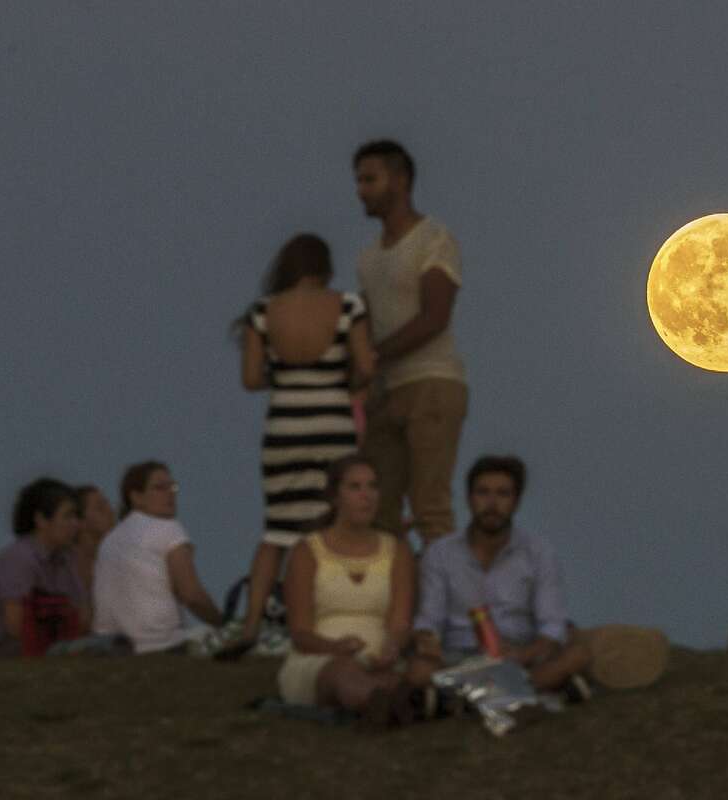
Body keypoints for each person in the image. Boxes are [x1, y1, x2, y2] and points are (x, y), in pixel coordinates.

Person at [233, 233, 377, 647]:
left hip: (284, 426)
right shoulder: (348, 305)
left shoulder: (263, 312)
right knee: (335, 524)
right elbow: (365, 366)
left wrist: (285, 378)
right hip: (333, 421)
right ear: (326, 267)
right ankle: (329, 616)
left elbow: (249, 378)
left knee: (277, 530)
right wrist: (343, 379)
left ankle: (250, 625)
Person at [354, 140, 468, 549]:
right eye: (359, 181)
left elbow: (435, 317)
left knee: (429, 506)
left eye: (370, 179)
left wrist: (375, 356)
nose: (362, 190)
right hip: (386, 392)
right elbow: (365, 324)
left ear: (400, 180)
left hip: (431, 383)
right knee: (379, 508)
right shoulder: (368, 258)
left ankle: (446, 606)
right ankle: (396, 604)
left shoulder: (433, 240)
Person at [405, 455, 591, 699]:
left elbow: (552, 624)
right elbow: (430, 619)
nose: (492, 503)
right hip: (460, 655)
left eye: (503, 494)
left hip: (520, 653)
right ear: (470, 499)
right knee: (419, 671)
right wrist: (426, 640)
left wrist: (522, 655)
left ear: (516, 501)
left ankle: (471, 698)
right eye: (483, 493)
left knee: (577, 654)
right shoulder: (441, 553)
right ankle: (530, 691)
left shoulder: (537, 552)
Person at [277, 455, 415, 721]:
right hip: (320, 660)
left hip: (377, 661)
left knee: (404, 673)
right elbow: (300, 633)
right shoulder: (308, 551)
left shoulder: (396, 551)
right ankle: (381, 704)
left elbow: (400, 623)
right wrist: (335, 647)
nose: (367, 496)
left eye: (373, 487)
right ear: (335, 497)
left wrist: (392, 648)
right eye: (355, 487)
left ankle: (383, 702)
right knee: (343, 673)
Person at [92, 461, 223, 653]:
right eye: (159, 488)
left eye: (173, 487)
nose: (170, 493)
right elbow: (191, 595)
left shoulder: (109, 540)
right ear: (136, 497)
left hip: (112, 645)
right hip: (161, 642)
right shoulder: (168, 528)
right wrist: (222, 621)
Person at [0, 479, 87, 656]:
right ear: (41, 520)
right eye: (68, 516)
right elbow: (16, 626)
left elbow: (82, 614)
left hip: (39, 644)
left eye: (76, 517)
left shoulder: (65, 559)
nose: (76, 524)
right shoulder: (19, 558)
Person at [72, 485, 116, 594]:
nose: (110, 511)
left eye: (107, 505)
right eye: (100, 508)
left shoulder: (111, 558)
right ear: (80, 521)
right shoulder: (70, 566)